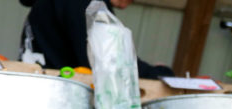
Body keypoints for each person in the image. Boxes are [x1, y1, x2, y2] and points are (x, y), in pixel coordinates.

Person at [18, 0, 173, 78]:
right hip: (57, 103)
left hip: (34, 90)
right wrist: (160, 74)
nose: (127, 5)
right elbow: (112, 63)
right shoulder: (85, 3)